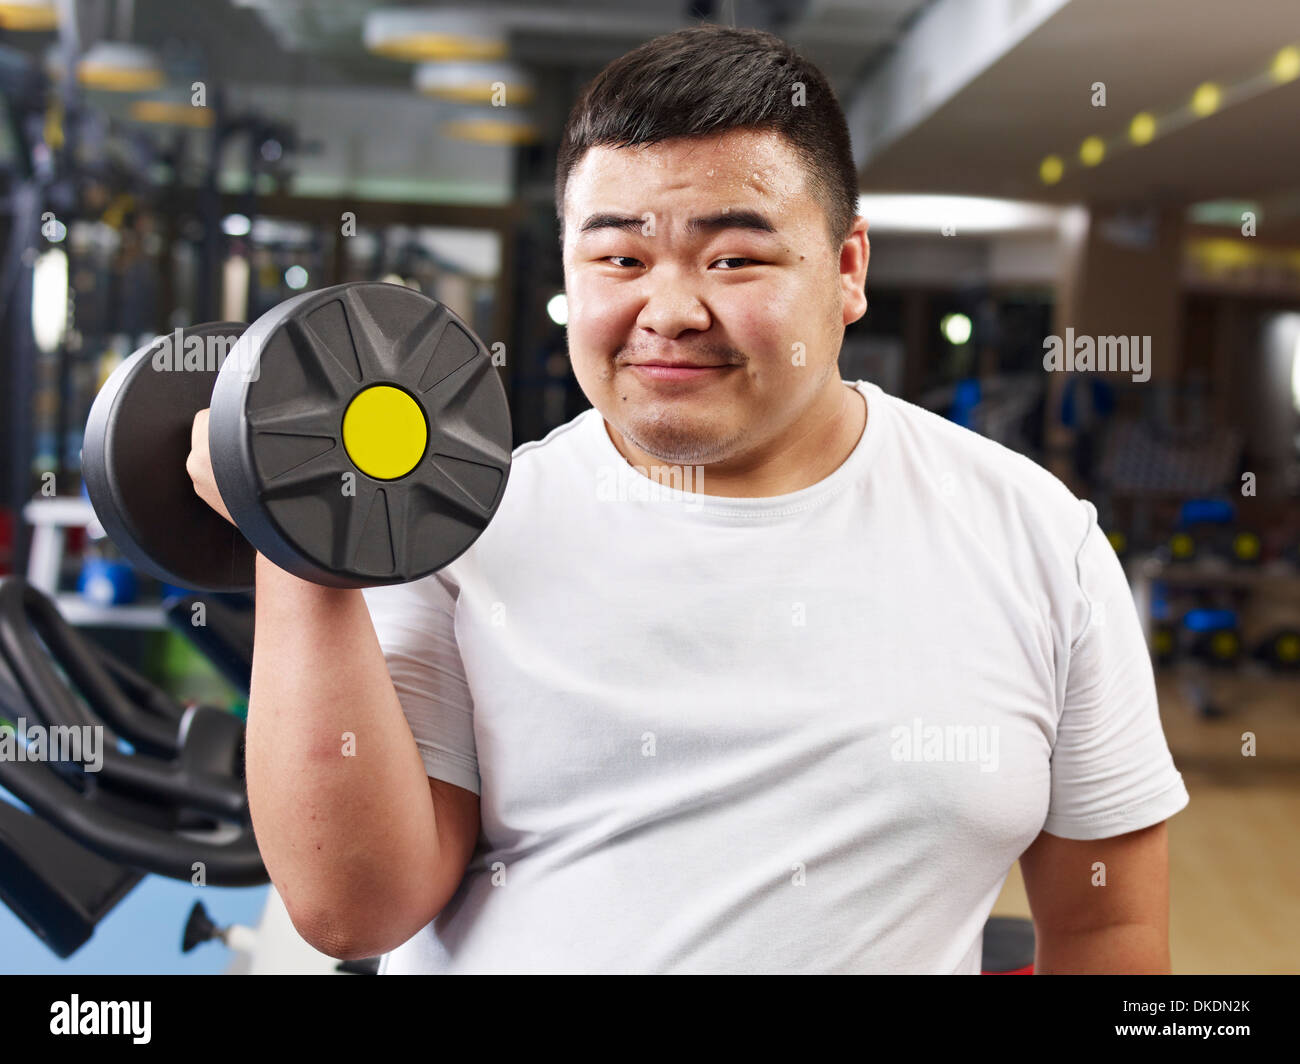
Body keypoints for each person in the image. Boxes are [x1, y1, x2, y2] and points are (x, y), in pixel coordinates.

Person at [188, 25, 1189, 974]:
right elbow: (353, 906)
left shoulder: (1034, 538)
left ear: (845, 269)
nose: (666, 310)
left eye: (733, 258)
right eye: (618, 258)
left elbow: (1107, 919)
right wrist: (298, 529)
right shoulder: (463, 532)